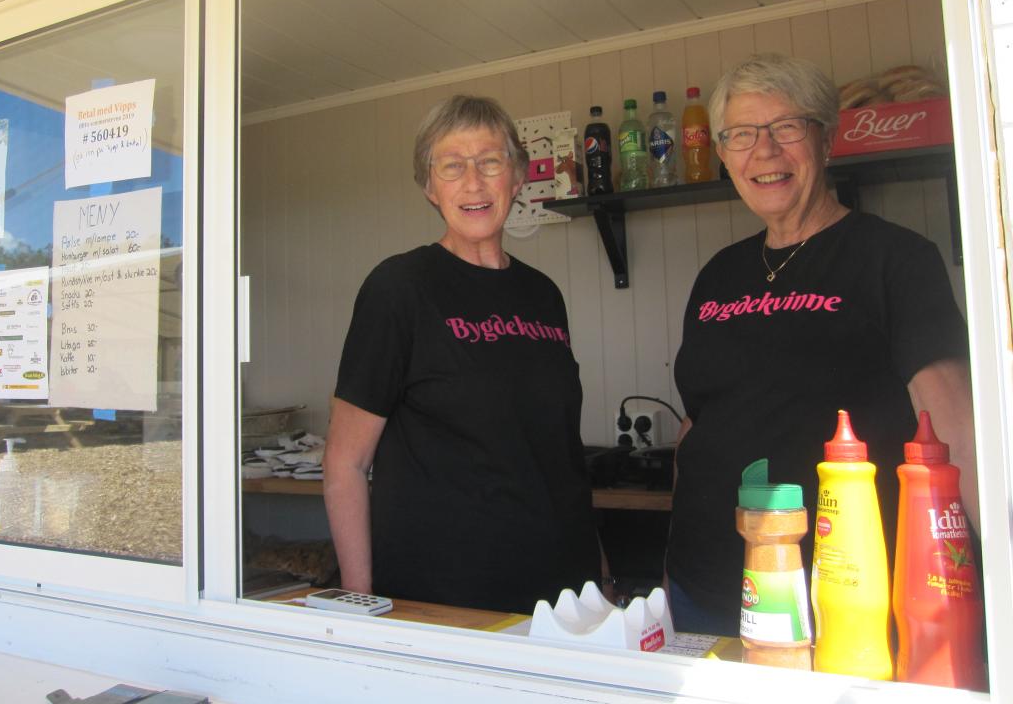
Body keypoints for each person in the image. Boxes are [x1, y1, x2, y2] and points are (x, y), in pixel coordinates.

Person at [666, 53, 976, 636]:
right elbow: (695, 425)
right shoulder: (717, 274)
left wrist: (993, 565)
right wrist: (670, 567)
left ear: (826, 140)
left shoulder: (895, 259)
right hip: (703, 584)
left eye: (787, 127)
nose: (765, 151)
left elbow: (953, 423)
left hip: (841, 591)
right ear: (725, 154)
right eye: (740, 135)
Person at [324, 94, 602, 614]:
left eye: (490, 162)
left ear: (517, 178)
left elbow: (560, 453)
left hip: (562, 594)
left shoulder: (544, 295)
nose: (473, 182)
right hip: (444, 597)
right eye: (452, 166)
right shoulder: (400, 288)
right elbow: (345, 462)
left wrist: (599, 573)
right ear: (430, 187)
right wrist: (362, 604)